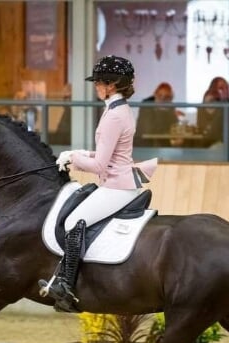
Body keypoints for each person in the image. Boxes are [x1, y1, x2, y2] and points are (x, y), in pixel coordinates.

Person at [38, 55, 157, 311]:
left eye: (98, 83)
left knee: (72, 222)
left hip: (117, 185)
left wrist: (74, 159)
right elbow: (109, 155)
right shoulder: (115, 109)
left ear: (111, 84)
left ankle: (66, 285)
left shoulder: (115, 116)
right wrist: (78, 152)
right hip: (118, 179)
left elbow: (100, 166)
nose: (96, 87)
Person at [134, 82, 179, 147]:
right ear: (155, 94)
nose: (162, 99)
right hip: (144, 145)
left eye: (166, 97)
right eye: (160, 95)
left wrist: (172, 114)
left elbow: (174, 127)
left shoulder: (170, 107)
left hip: (162, 145)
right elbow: (149, 130)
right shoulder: (146, 105)